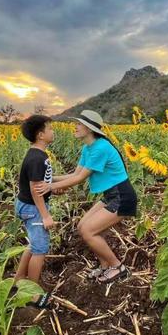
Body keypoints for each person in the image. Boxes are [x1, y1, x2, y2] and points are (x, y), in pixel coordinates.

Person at [34, 110, 137, 284]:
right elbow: (75, 174)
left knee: (89, 231)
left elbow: (79, 179)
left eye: (79, 124)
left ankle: (118, 267)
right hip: (111, 195)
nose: (75, 127)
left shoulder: (101, 147)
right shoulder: (88, 148)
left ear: (89, 129)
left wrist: (49, 187)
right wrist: (49, 179)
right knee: (83, 227)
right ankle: (105, 266)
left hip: (122, 196)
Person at [13, 114, 71, 307]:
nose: (53, 131)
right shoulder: (38, 158)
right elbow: (36, 189)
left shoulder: (38, 155)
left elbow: (45, 180)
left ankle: (19, 279)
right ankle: (32, 295)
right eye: (50, 129)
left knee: (32, 245)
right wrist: (45, 216)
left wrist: (63, 182)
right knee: (40, 249)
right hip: (33, 208)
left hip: (29, 206)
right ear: (40, 135)